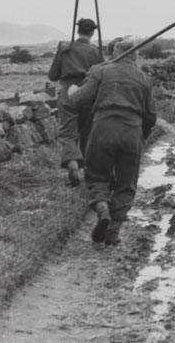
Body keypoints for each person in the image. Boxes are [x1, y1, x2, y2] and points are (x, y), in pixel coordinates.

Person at [68, 40, 156, 245]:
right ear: (135, 56)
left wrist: (73, 90)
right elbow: (151, 115)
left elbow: (79, 99)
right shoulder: (143, 78)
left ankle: (102, 209)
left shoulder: (100, 71)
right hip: (132, 131)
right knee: (126, 182)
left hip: (103, 129)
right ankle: (114, 231)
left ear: (114, 52)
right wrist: (142, 136)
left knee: (97, 174)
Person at [48, 18, 104, 187]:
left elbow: (52, 75)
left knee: (68, 133)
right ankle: (87, 169)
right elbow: (102, 75)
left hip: (67, 92)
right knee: (87, 132)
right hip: (88, 92)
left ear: (78, 30)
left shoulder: (65, 49)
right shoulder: (96, 51)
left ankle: (73, 164)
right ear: (93, 32)